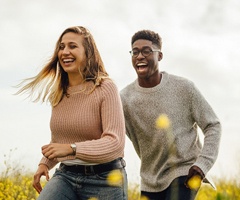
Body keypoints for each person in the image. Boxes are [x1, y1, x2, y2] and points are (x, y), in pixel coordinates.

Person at [17, 26, 127, 200]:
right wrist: (44, 164)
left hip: (105, 178)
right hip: (66, 176)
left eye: (72, 46)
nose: (65, 52)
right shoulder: (59, 93)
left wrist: (72, 148)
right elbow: (59, 141)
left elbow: (115, 143)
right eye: (61, 47)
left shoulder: (105, 88)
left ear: (87, 52)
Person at [120, 29, 221, 200]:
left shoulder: (184, 88)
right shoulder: (124, 99)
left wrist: (202, 164)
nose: (140, 56)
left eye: (146, 51)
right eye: (135, 52)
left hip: (185, 170)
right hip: (150, 180)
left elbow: (213, 125)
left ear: (159, 56)